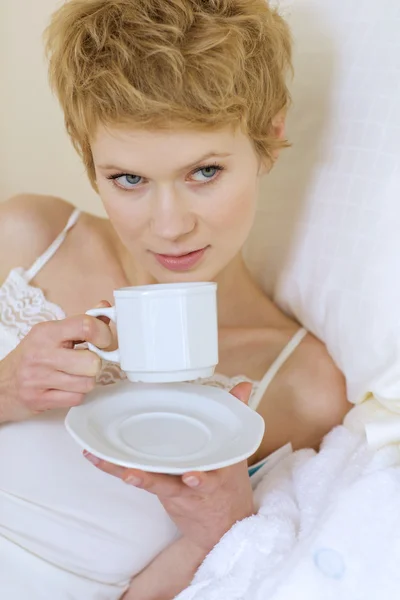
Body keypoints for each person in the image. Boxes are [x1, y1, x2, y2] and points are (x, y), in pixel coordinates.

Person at [0, 0, 351, 598]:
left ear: (269, 133)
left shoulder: (302, 386)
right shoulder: (26, 239)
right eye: (129, 180)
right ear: (89, 160)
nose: (169, 226)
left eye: (205, 172)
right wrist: (5, 389)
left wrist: (218, 527)